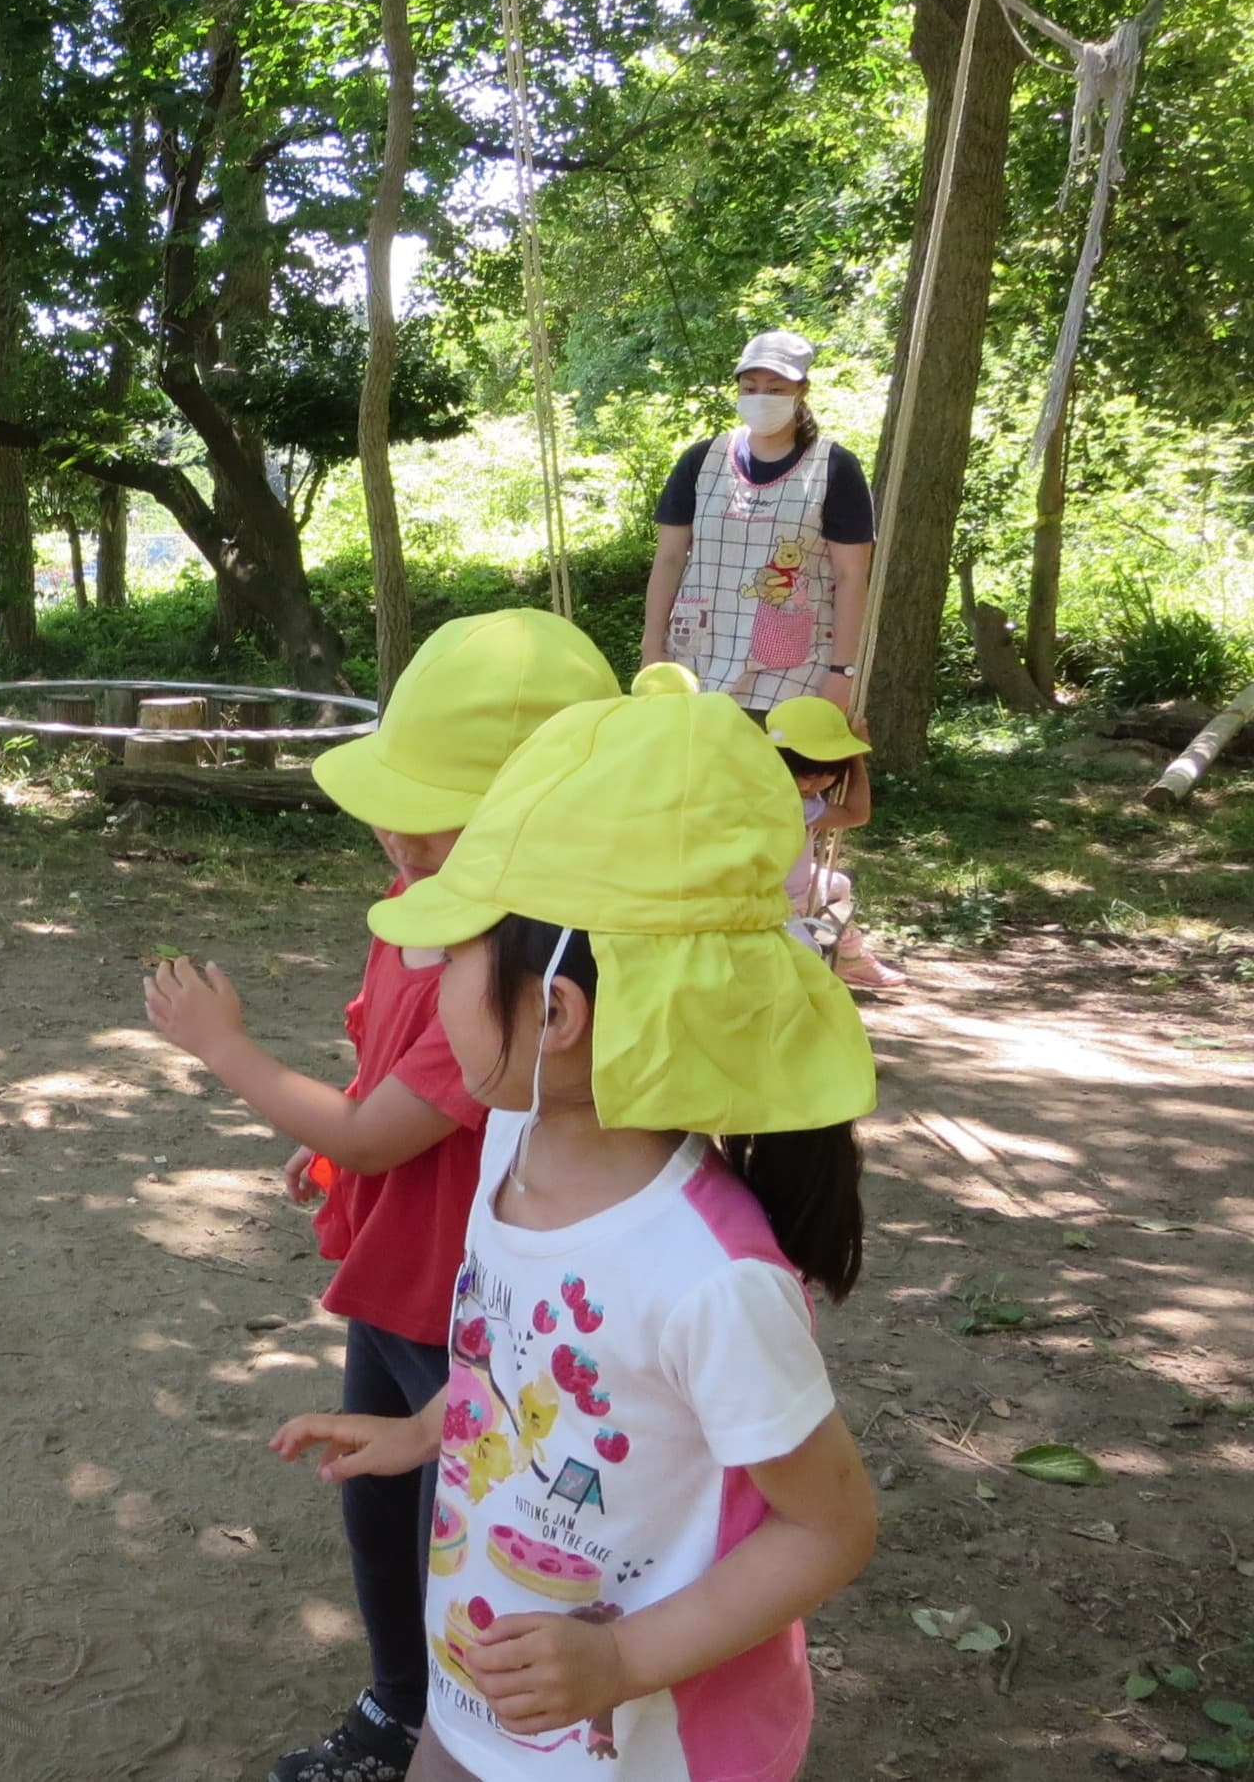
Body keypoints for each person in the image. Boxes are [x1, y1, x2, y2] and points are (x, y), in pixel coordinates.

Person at [274, 665, 881, 1781]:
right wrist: (427, 1429)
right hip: (481, 1689)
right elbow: (519, 1356)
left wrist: (621, 1659)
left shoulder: (710, 1279)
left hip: (639, 1745)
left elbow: (828, 1527)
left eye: (453, 955)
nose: (430, 980)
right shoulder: (510, 1148)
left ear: (554, 1009)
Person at [143, 610, 620, 1782]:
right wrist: (329, 1150)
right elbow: (372, 1094)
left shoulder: (514, 984)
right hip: (398, 1276)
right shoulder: (418, 912)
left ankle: (456, 1728)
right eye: (390, 801)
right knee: (375, 1503)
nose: (396, 833)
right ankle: (398, 1700)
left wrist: (226, 1049)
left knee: (453, 1524)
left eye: (430, 813)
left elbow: (373, 1128)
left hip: (469, 1302)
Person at [643, 329, 875, 716]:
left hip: (792, 673)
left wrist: (844, 672)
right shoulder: (701, 461)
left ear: (802, 391)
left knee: (775, 755)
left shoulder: (834, 467)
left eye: (775, 389)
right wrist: (652, 648)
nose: (760, 398)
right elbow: (669, 558)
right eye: (750, 388)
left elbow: (851, 577)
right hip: (694, 662)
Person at [766, 696, 903, 993]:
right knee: (806, 962)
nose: (816, 785)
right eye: (807, 775)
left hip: (799, 890)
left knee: (838, 884)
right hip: (776, 904)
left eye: (829, 774)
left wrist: (849, 752)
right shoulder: (783, 800)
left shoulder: (797, 793)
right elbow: (856, 814)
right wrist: (857, 756)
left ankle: (849, 957)